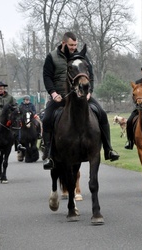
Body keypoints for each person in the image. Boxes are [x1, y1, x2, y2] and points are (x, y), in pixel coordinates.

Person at [42, 31, 119, 170]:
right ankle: (48, 155)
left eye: (75, 45)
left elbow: (90, 75)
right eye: (71, 45)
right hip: (60, 96)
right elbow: (47, 76)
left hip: (82, 95)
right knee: (47, 118)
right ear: (63, 43)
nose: (73, 47)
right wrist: (53, 93)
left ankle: (108, 149)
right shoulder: (52, 57)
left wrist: (89, 91)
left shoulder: (81, 57)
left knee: (101, 113)